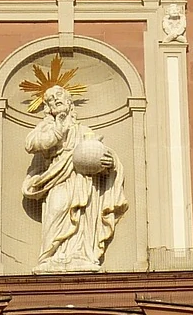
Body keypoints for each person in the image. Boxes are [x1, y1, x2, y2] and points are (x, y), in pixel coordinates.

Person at [21, 84, 127, 269]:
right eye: (52, 99)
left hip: (83, 181)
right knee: (57, 210)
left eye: (60, 97)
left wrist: (108, 163)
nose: (56, 100)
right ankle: (51, 256)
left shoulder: (84, 131)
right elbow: (32, 144)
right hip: (57, 180)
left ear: (70, 104)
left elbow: (97, 156)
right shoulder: (46, 128)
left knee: (83, 218)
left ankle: (81, 254)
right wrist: (58, 128)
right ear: (48, 107)